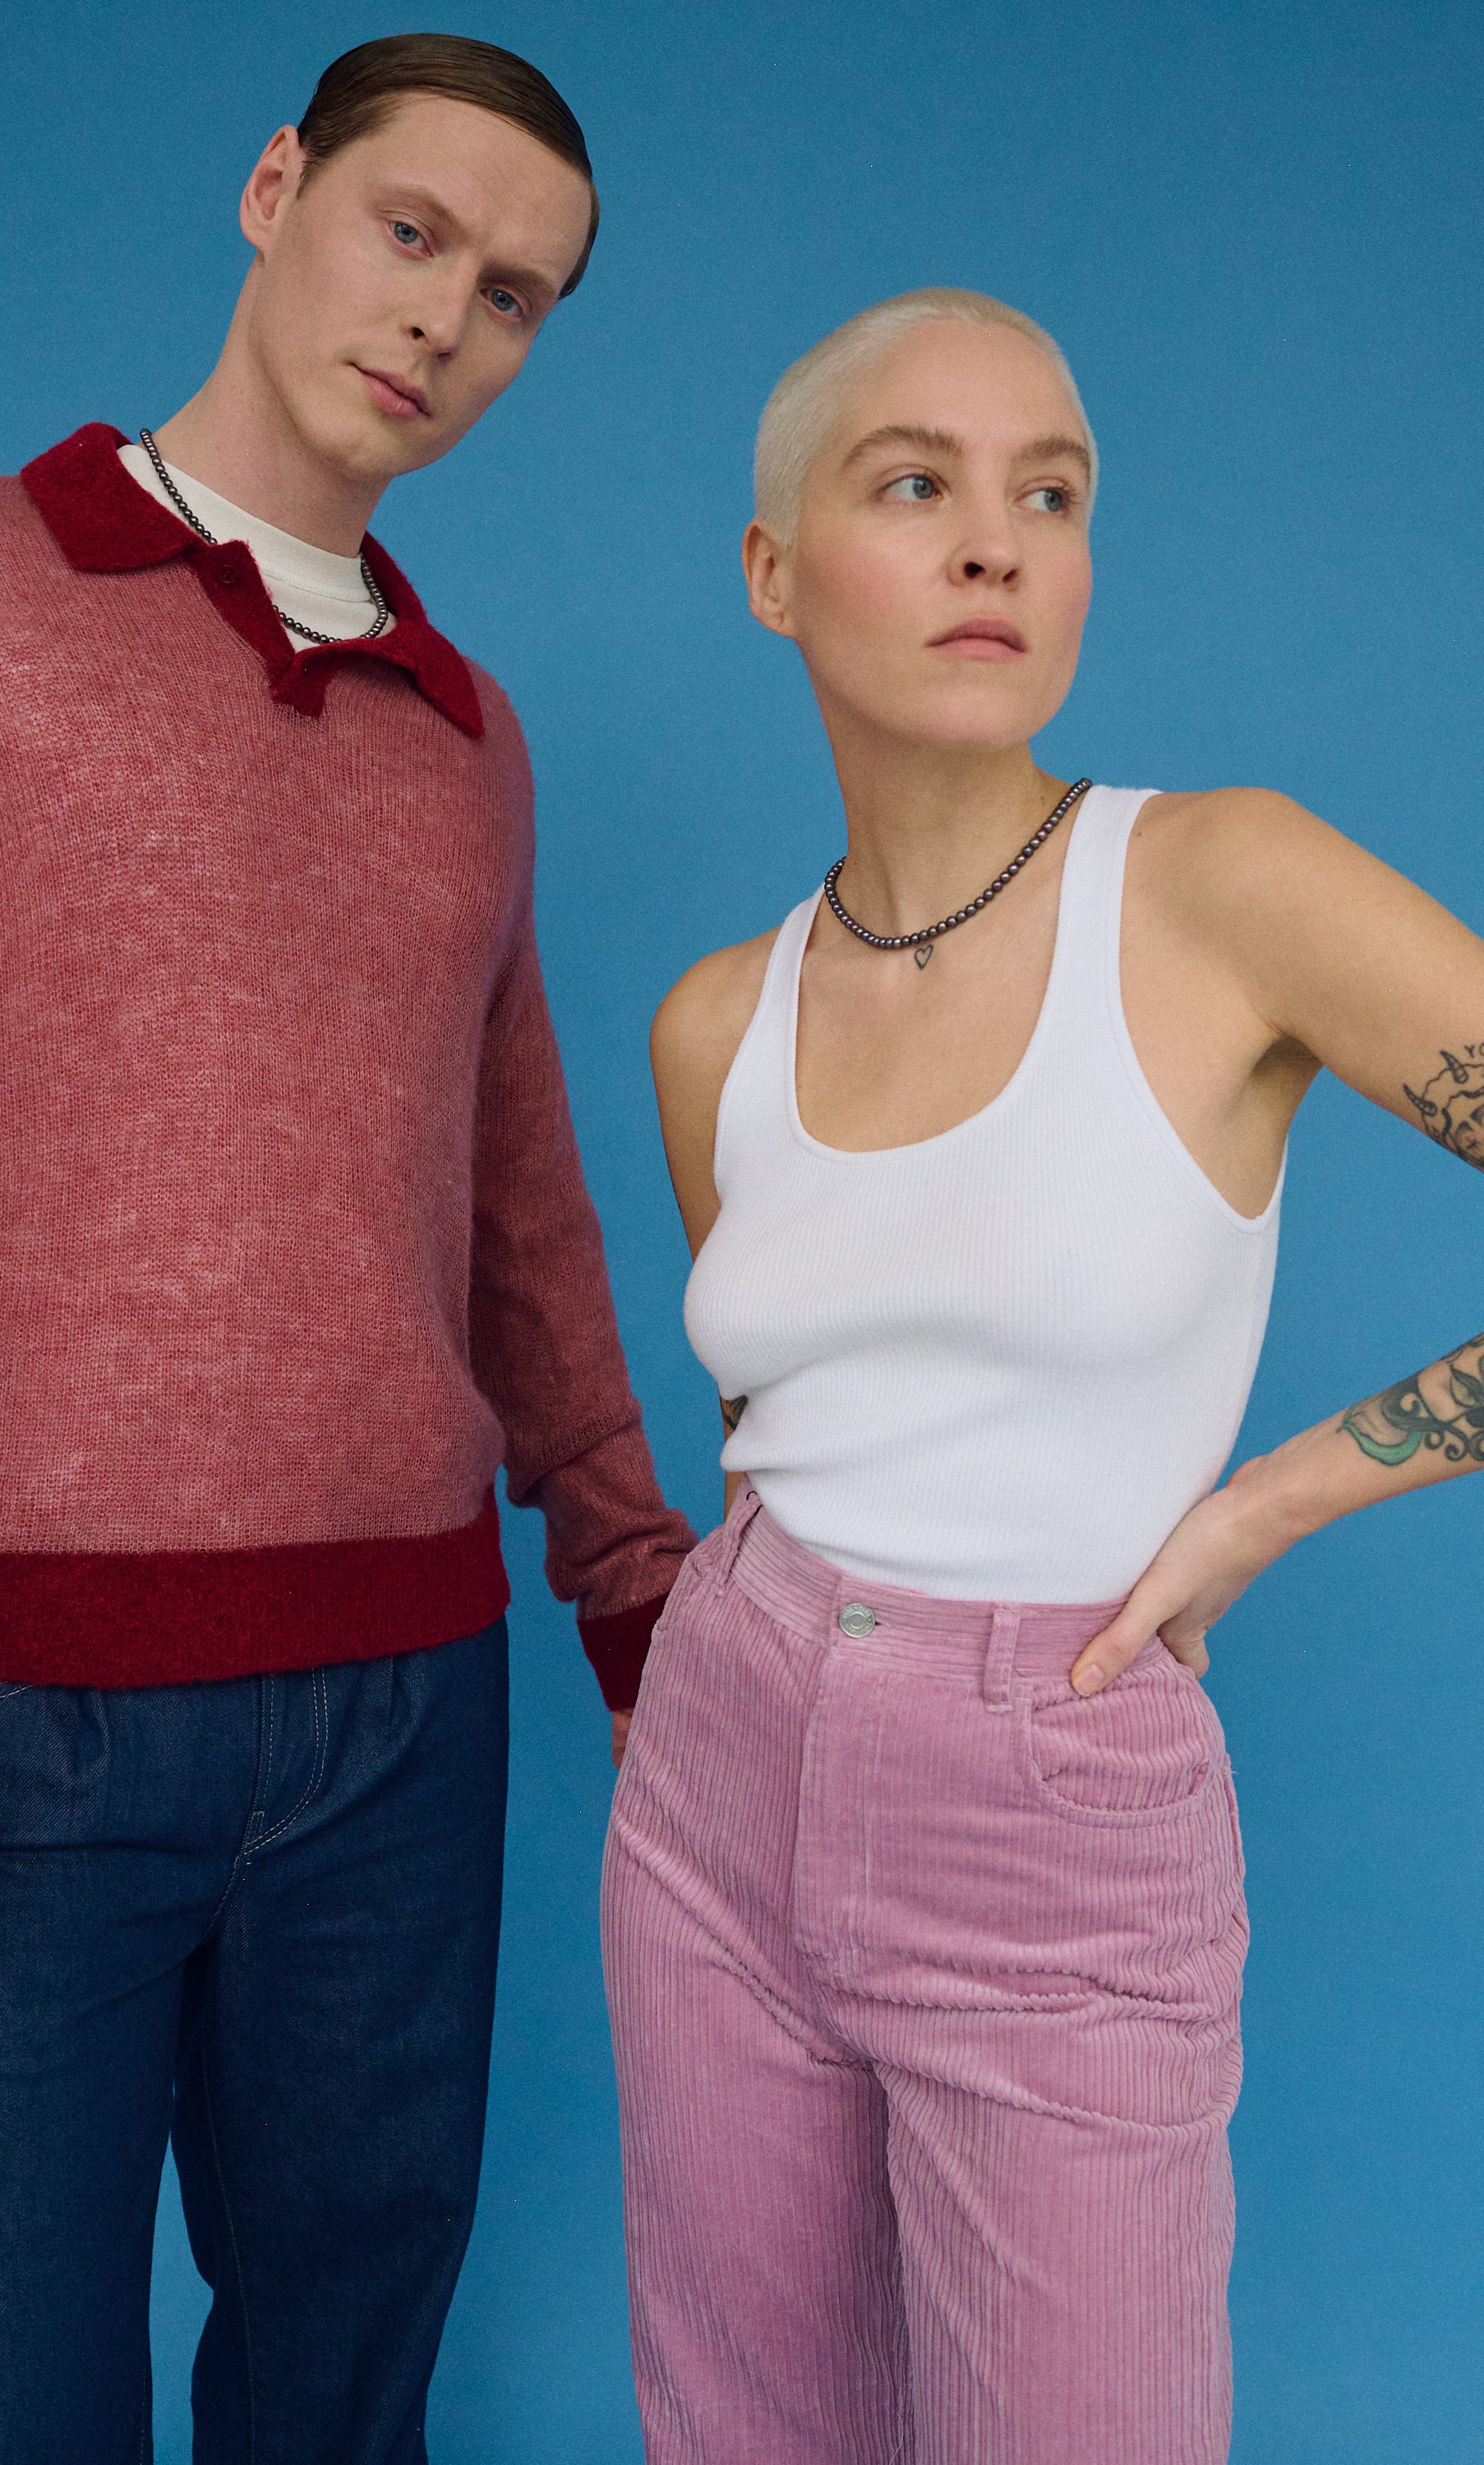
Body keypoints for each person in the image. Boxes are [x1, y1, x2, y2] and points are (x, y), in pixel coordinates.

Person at [0, 34, 692, 2464]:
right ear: (270, 188)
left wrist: (631, 1590)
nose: (444, 322)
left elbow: (516, 1209)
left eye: (514, 297)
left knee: (339, 2403)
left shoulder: (465, 732)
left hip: (406, 1722)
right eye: (410, 232)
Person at [602, 287, 1484, 2463]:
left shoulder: (1215, 885)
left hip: (1050, 1787)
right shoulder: (713, 1025)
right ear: (773, 569)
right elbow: (774, 1433)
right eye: (915, 483)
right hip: (716, 1766)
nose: (996, 541)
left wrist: (1276, 1496)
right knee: (745, 2434)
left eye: (1050, 493)